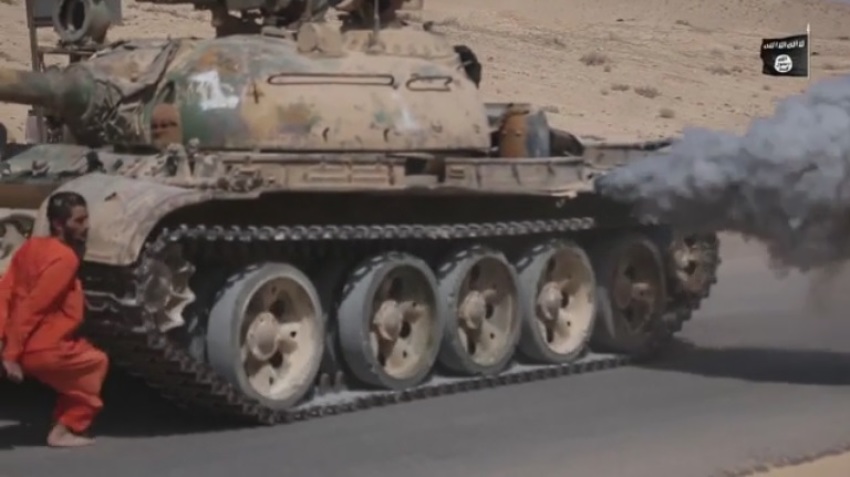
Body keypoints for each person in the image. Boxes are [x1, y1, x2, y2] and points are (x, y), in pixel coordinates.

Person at [0, 191, 109, 448]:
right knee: (95, 364)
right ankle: (65, 428)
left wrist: (4, 340)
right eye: (78, 221)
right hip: (46, 347)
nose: (86, 226)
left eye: (86, 219)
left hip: (26, 341)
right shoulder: (64, 258)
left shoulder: (30, 247)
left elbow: (5, 292)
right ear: (59, 224)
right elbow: (32, 308)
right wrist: (11, 356)